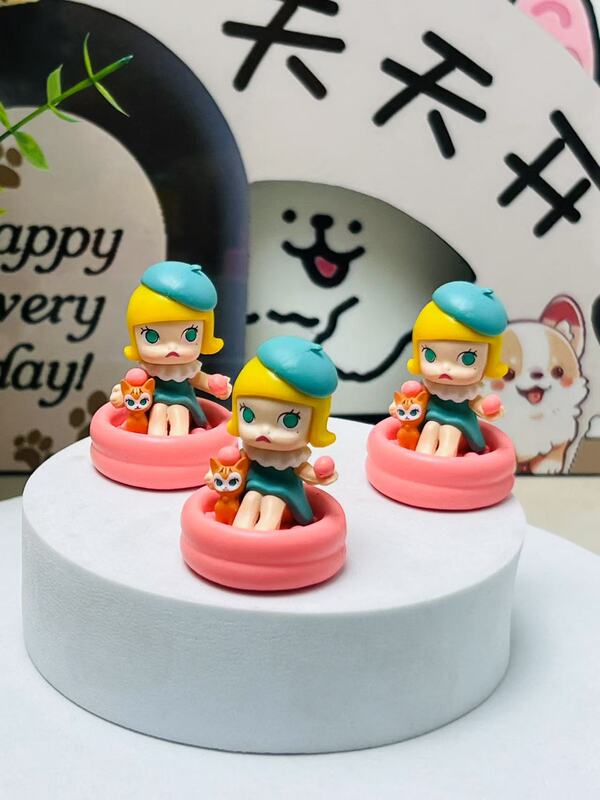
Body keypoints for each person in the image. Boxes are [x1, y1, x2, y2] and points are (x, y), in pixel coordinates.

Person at [111, 260, 231, 436]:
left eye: (190, 335)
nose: (172, 347)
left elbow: (199, 379)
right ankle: (156, 443)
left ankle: (178, 443)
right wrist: (121, 393)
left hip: (183, 401)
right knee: (158, 409)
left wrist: (214, 384)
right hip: (151, 403)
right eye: (152, 336)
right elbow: (133, 384)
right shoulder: (147, 370)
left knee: (178, 411)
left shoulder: (187, 369)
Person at [407, 281, 508, 457]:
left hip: (462, 426)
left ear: (489, 360)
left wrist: (487, 409)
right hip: (431, 419)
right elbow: (415, 400)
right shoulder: (429, 387)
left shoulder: (468, 392)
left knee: (449, 431)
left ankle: (444, 463)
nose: (446, 368)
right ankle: (419, 461)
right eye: (430, 356)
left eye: (467, 359)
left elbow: (476, 404)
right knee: (430, 427)